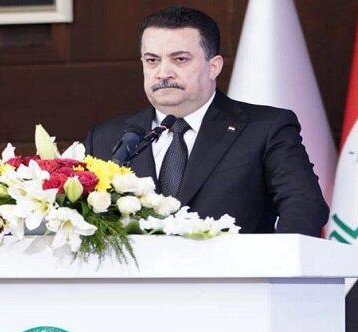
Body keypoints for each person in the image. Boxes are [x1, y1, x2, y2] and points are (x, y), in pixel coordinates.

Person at [84, 6, 329, 236]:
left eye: (180, 59)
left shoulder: (265, 128)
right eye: (152, 60)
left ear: (214, 67)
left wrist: (275, 261)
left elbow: (305, 205)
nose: (163, 73)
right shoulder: (107, 138)